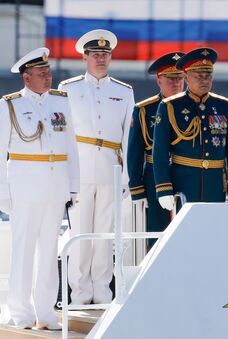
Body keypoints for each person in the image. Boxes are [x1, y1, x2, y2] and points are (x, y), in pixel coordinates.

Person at [0, 47, 79, 330]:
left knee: (48, 251)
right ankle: (20, 312)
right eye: (41, 74)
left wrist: (73, 186)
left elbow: (71, 146)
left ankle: (45, 313)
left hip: (55, 186)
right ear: (26, 77)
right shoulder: (9, 105)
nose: (47, 78)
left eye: (48, 73)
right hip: (24, 188)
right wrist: (3, 194)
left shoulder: (61, 101)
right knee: (23, 250)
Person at [58, 29, 135, 305]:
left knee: (105, 235)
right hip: (79, 171)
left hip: (110, 171)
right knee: (79, 235)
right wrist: (65, 177)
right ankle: (79, 295)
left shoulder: (124, 91)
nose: (100, 58)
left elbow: (128, 137)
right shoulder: (68, 88)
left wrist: (126, 178)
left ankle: (102, 293)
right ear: (85, 57)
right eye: (95, 54)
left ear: (110, 57)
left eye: (105, 54)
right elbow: (63, 136)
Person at [152, 47, 228, 210]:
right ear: (185, 77)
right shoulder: (170, 106)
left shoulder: (224, 106)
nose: (204, 80)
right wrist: (163, 188)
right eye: (199, 76)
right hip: (184, 183)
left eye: (208, 76)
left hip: (215, 185)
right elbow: (160, 152)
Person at [127, 52, 185, 249]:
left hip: (186, 175)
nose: (176, 83)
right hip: (154, 179)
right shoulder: (144, 110)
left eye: (179, 78)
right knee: (157, 236)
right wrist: (137, 189)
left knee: (186, 232)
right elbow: (135, 153)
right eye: (170, 78)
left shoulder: (193, 106)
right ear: (159, 80)